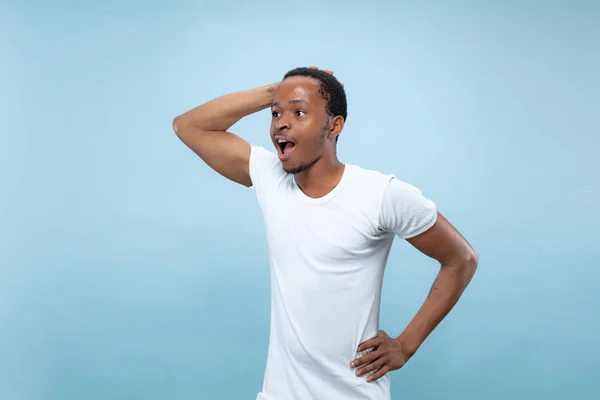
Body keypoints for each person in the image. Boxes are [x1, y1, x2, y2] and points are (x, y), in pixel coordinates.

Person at [172, 66, 478, 399]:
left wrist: (406, 345)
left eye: (299, 112)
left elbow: (460, 259)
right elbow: (188, 126)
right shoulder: (270, 178)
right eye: (276, 113)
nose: (281, 122)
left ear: (334, 125)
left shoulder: (381, 195)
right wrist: (275, 91)